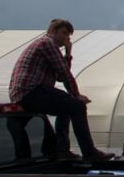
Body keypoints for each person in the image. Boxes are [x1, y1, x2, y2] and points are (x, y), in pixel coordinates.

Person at [8, 19, 110, 165]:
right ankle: (89, 152)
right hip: (31, 90)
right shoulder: (47, 43)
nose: (66, 38)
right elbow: (65, 73)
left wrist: (68, 53)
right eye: (63, 33)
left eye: (68, 35)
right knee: (77, 106)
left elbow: (61, 75)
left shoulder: (46, 46)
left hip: (25, 92)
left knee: (67, 106)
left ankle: (60, 150)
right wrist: (76, 96)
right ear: (53, 31)